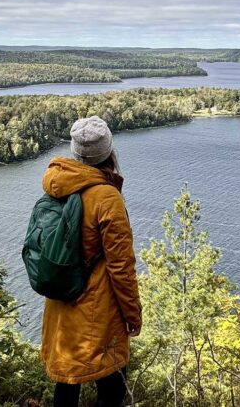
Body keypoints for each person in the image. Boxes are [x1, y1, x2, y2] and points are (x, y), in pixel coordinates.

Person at [40, 116, 142, 407]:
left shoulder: (56, 185)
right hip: (99, 309)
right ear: (108, 151)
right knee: (111, 388)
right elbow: (121, 267)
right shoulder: (106, 197)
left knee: (66, 384)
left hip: (61, 301)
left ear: (75, 151)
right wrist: (132, 314)